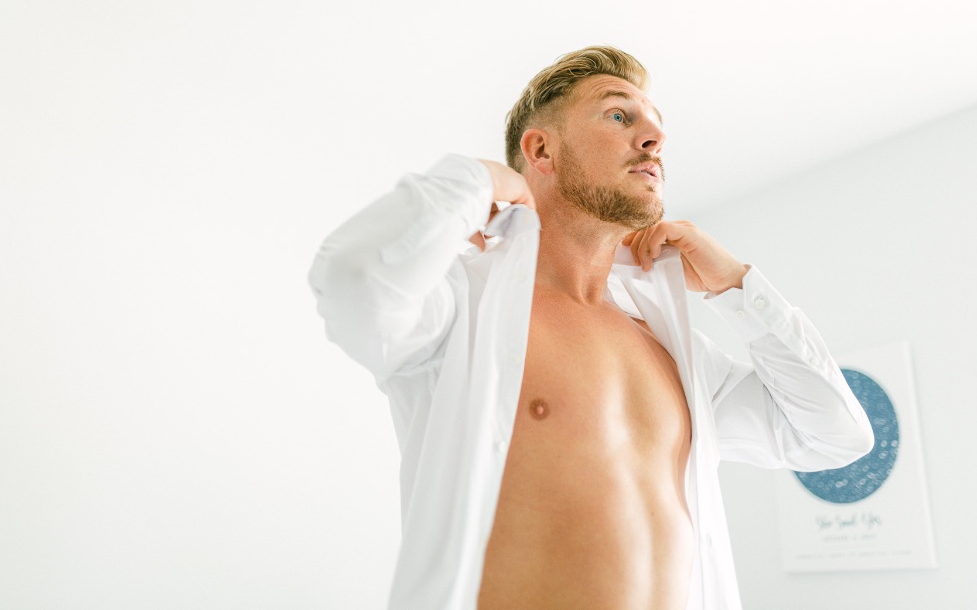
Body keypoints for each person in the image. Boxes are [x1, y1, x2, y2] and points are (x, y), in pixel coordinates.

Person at [307, 46, 873, 610]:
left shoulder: (670, 349)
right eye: (619, 114)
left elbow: (835, 435)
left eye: (657, 124)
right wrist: (478, 181)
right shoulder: (462, 306)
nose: (655, 138)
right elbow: (355, 281)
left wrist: (737, 288)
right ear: (540, 150)